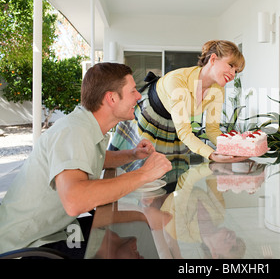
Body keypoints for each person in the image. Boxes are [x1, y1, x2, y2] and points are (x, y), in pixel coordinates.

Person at [0, 62, 172, 258]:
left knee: (126, 231)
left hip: (56, 230)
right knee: (119, 245)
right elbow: (75, 201)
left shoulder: (85, 126)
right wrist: (144, 174)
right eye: (132, 90)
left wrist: (132, 155)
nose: (139, 96)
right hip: (28, 245)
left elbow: (92, 158)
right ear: (112, 98)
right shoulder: (74, 131)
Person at [108, 40, 248, 170]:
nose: (233, 74)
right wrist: (212, 155)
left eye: (236, 71)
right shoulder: (177, 81)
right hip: (150, 114)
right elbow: (185, 133)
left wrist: (231, 149)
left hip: (174, 121)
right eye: (230, 65)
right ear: (213, 59)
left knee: (172, 172)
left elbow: (212, 129)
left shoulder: (218, 89)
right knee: (142, 167)